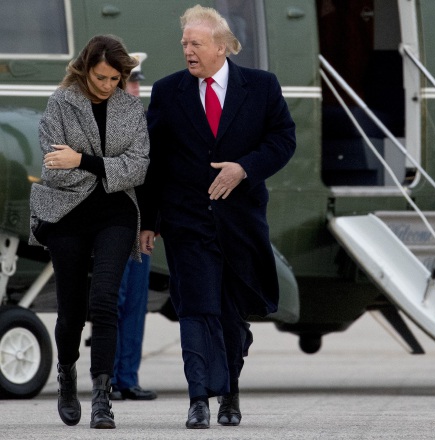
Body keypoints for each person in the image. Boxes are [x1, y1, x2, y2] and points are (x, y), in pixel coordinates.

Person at [138, 5, 295, 429]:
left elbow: (283, 139)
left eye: (196, 43)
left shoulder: (260, 88)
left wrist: (244, 168)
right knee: (196, 309)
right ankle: (198, 400)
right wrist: (149, 220)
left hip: (240, 221)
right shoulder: (170, 91)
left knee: (229, 315)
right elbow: (155, 160)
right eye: (184, 43)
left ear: (222, 47)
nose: (188, 51)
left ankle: (230, 393)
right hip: (188, 221)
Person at [29, 35, 149, 429]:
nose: (108, 85)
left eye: (116, 78)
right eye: (101, 77)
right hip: (67, 213)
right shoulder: (60, 103)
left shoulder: (131, 108)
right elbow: (52, 169)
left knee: (105, 301)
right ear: (85, 69)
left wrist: (81, 158)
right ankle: (67, 376)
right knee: (71, 312)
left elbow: (138, 168)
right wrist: (107, 166)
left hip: (116, 214)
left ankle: (102, 397)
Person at [109, 52, 158, 402]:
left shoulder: (144, 121)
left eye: (137, 81)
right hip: (110, 226)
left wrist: (151, 226)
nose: (137, 87)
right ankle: (107, 376)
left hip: (139, 227)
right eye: (131, 81)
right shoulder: (100, 121)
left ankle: (128, 377)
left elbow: (152, 181)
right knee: (112, 300)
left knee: (135, 304)